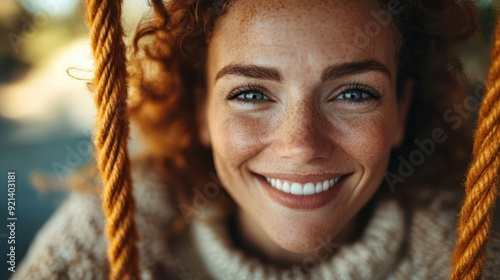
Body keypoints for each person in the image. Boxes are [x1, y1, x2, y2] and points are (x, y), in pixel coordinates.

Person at [13, 0, 500, 279]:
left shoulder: (473, 252)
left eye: (353, 93)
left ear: (402, 113)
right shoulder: (113, 231)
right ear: (202, 110)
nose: (301, 144)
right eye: (250, 93)